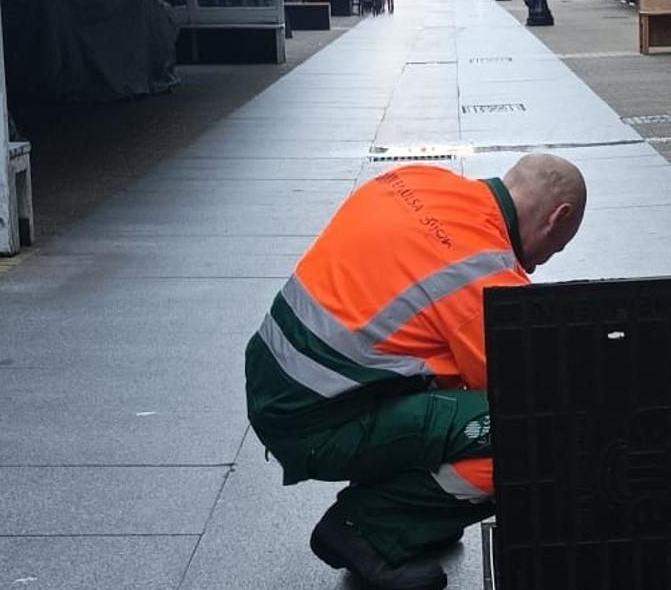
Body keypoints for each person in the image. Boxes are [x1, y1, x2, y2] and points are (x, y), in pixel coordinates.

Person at [244, 154, 587, 590]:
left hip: (279, 382)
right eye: (554, 249)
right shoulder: (481, 270)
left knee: (444, 374)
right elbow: (529, 392)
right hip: (314, 422)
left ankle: (413, 509)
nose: (537, 266)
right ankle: (368, 529)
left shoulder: (421, 180)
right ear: (558, 218)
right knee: (527, 436)